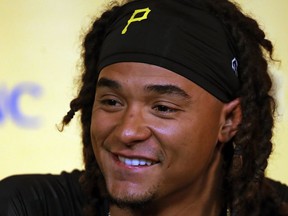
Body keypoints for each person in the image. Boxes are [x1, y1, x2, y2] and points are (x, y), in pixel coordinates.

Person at [1, 0, 288, 215]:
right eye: (112, 102)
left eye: (162, 108)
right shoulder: (23, 206)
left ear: (229, 121)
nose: (127, 131)